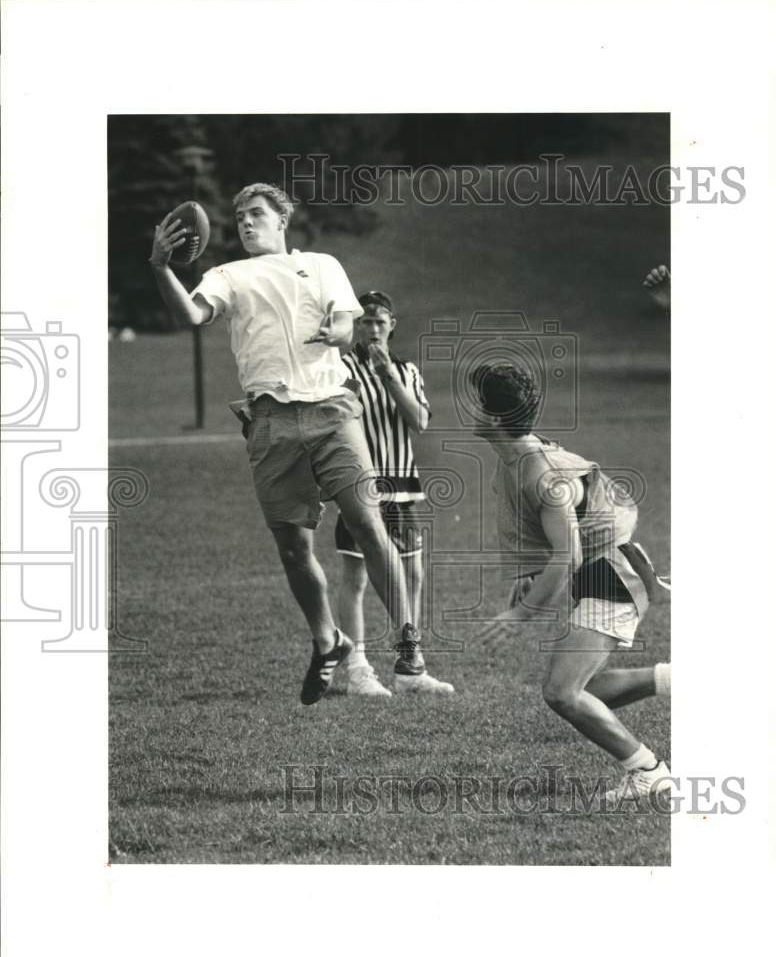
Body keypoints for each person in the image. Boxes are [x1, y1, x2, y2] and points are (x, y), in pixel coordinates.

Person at [148, 183, 429, 705]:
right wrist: (161, 266)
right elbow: (189, 316)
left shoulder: (321, 264)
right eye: (239, 216)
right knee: (293, 547)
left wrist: (338, 329)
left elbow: (346, 322)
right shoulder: (227, 275)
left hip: (331, 411)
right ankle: (328, 639)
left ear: (282, 220)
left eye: (257, 213)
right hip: (270, 421)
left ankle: (407, 638)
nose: (246, 222)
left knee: (369, 521)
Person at [472, 361, 671, 802]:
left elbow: (567, 555)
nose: (472, 409)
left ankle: (648, 771)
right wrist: (527, 573)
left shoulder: (540, 473)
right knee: (583, 691)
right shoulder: (518, 455)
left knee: (562, 693)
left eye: (480, 403)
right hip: (604, 571)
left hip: (611, 574)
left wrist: (522, 614)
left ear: (493, 419)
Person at [335, 291, 454, 697]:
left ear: (392, 325)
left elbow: (419, 421)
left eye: (379, 322)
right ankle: (356, 669)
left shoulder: (406, 370)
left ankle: (410, 669)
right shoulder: (341, 368)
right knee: (356, 577)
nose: (371, 329)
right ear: (355, 324)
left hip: (403, 485)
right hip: (358, 485)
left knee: (412, 574)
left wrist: (388, 375)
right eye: (364, 321)